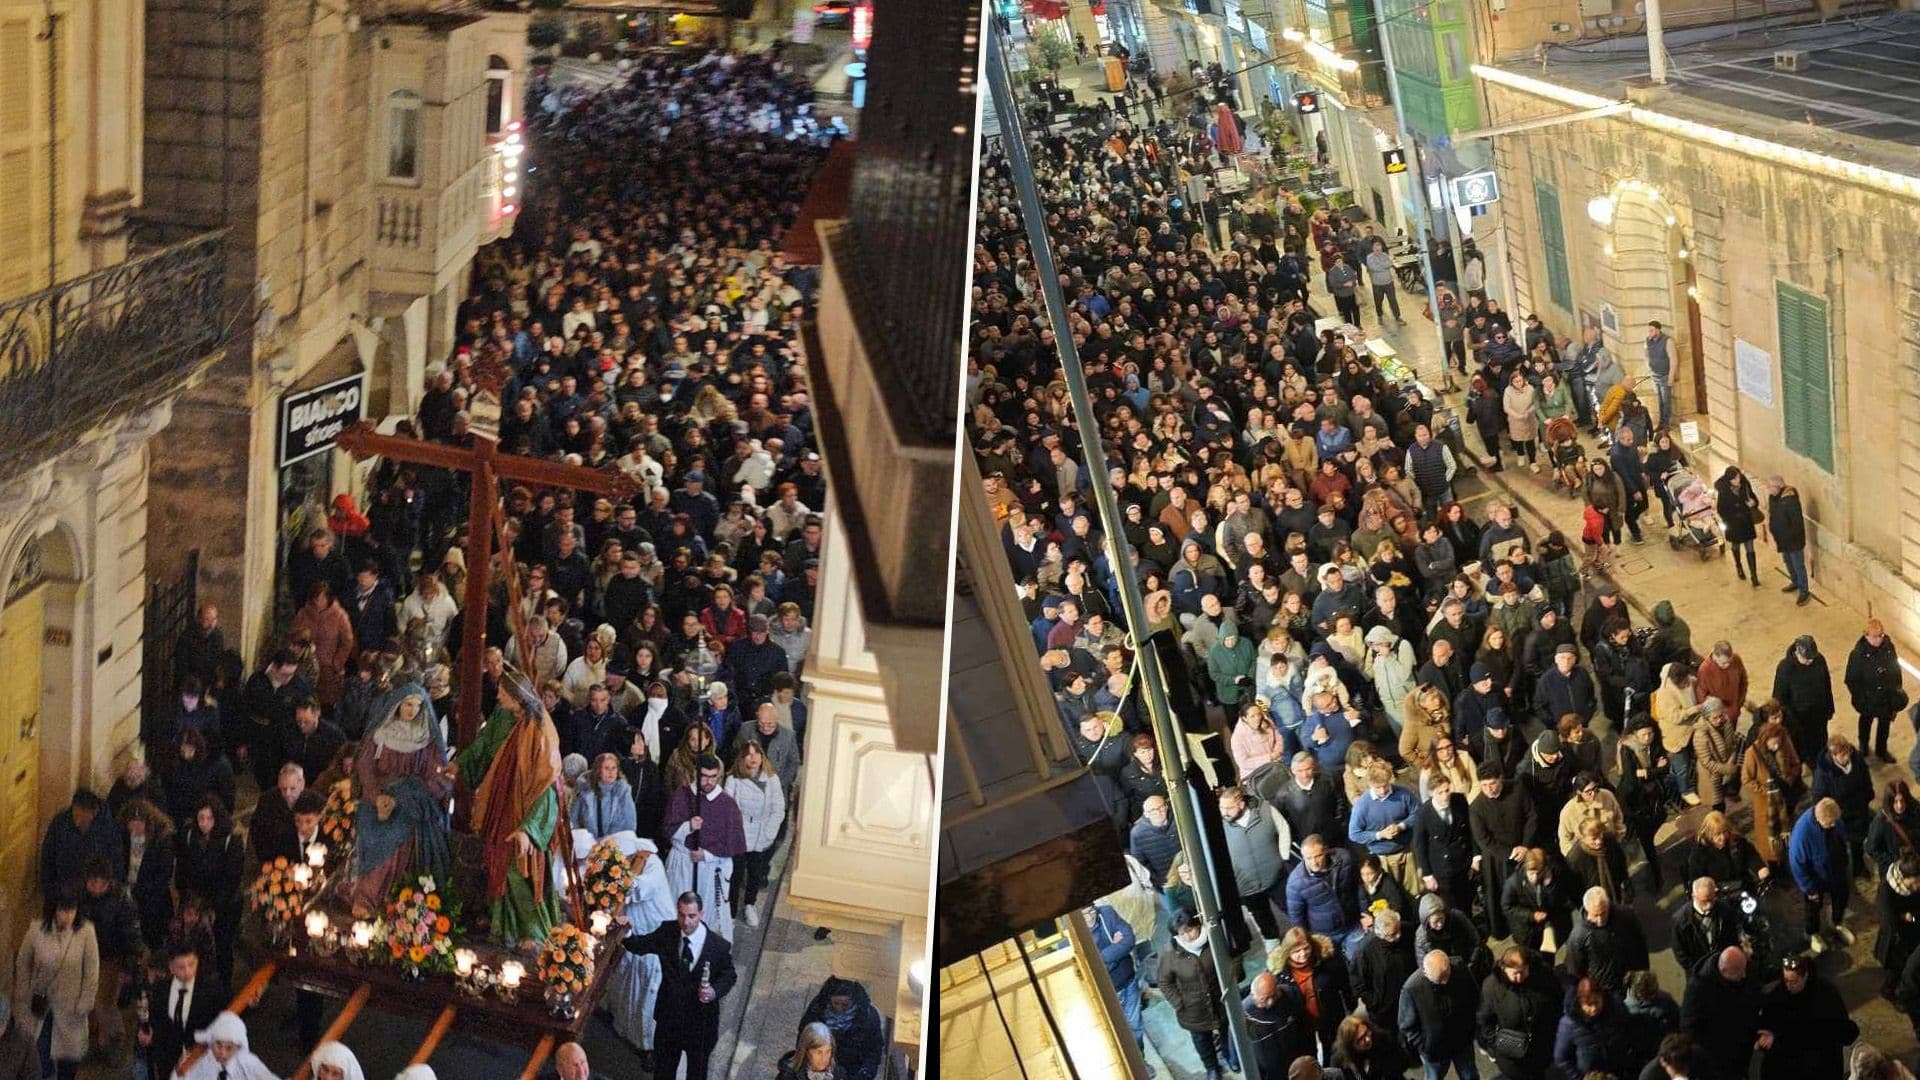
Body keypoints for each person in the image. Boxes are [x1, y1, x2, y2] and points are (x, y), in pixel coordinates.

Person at [451, 669, 566, 947]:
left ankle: (534, 931)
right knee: (498, 862)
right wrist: (461, 765)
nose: (499, 698)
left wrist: (529, 829)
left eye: (503, 694)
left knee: (519, 870)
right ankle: (504, 925)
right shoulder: (511, 718)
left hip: (524, 813)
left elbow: (546, 786)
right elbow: (485, 746)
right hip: (504, 805)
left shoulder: (539, 731)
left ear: (517, 697)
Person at [621, 892, 738, 1079]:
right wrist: (626, 931)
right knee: (663, 1073)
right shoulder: (667, 932)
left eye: (691, 916)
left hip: (700, 1026)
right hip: (669, 1021)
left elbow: (729, 975)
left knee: (697, 1075)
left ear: (701, 914)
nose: (686, 922)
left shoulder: (718, 946)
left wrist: (714, 991)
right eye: (682, 915)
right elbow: (640, 946)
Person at [14, 891, 97, 1080]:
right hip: (41, 1006)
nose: (68, 916)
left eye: (72, 910)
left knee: (69, 1059)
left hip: (71, 1008)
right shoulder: (37, 930)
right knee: (40, 1057)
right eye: (63, 911)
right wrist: (23, 994)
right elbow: (22, 963)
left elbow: (92, 970)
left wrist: (85, 1002)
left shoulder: (86, 932)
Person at [1161, 908, 1239, 1080]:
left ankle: (1230, 1056)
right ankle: (1212, 1067)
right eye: (1182, 934)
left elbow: (1232, 959)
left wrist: (1231, 983)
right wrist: (1179, 1003)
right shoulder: (1171, 953)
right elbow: (1164, 981)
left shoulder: (1215, 939)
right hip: (1193, 1008)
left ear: (1198, 925)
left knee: (1227, 1030)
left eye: (1190, 930)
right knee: (1202, 1040)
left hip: (1220, 999)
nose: (1187, 937)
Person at [1757, 954, 1856, 1080]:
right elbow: (1767, 1021)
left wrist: (1777, 1039)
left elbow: (1823, 1032)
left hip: (1816, 1066)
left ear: (1805, 976)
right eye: (1786, 980)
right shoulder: (1779, 995)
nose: (1788, 985)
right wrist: (1764, 1036)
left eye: (1793, 981)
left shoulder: (1825, 995)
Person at [1269, 926, 1357, 1063]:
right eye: (1296, 951)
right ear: (1287, 952)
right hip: (1301, 1026)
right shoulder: (1280, 975)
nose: (1303, 954)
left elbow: (1344, 983)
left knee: (1336, 1054)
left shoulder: (1326, 961)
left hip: (1330, 1019)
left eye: (1306, 948)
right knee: (1308, 1059)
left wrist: (1351, 1006)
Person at [1083, 903, 1152, 1074]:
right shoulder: (1076, 934)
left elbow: (1129, 939)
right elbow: (1090, 967)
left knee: (1135, 1026)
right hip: (1106, 992)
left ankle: (1140, 1063)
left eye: (1091, 911)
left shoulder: (1106, 913)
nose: (1090, 917)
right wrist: (1114, 951)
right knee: (1115, 1033)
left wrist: (1102, 956)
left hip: (1128, 982)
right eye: (1084, 914)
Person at [723, 741, 785, 929]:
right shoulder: (733, 779)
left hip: (761, 833)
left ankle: (749, 904)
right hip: (739, 834)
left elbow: (778, 807)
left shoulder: (772, 779)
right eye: (748, 754)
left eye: (756, 753)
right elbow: (727, 807)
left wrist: (769, 832)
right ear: (742, 758)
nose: (753, 758)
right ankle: (731, 912)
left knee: (755, 874)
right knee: (735, 874)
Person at [139, 942, 221, 1080]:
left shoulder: (210, 990)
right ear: (171, 968)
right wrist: (148, 1033)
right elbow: (154, 1019)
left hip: (200, 1059)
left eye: (192, 964)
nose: (188, 971)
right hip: (167, 1061)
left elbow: (225, 1018)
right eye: (181, 967)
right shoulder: (160, 989)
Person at [1476, 945, 1560, 1080]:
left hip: (1541, 1048)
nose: (1519, 977)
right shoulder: (1491, 988)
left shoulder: (1543, 977)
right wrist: (1497, 1044)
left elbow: (1556, 1002)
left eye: (1523, 971)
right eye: (1515, 973)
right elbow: (1484, 1021)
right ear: (1504, 969)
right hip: (1512, 1055)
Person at [1680, 947, 1767, 1077]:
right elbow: (1689, 1028)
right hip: (1718, 1057)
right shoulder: (1698, 989)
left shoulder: (1742, 967)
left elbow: (1755, 996)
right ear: (1723, 971)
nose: (1744, 975)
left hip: (1743, 1047)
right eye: (1738, 972)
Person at [1399, 950, 1479, 1080]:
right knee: (1434, 1077)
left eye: (1446, 976)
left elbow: (1473, 996)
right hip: (1435, 1049)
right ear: (1425, 972)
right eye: (1438, 980)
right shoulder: (1412, 989)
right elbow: (1406, 1025)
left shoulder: (1460, 968)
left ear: (1448, 964)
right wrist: (1426, 1045)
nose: (1444, 982)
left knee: (1469, 1074)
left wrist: (1470, 1027)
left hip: (1462, 1040)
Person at [1789, 797, 1855, 955]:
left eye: (1835, 822)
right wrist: (1809, 889)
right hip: (1816, 877)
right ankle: (1813, 934)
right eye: (1830, 823)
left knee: (1840, 898)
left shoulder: (1835, 820)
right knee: (1813, 908)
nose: (1834, 825)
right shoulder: (1802, 832)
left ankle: (1838, 923)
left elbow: (1842, 839)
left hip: (1836, 870)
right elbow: (1797, 863)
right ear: (1819, 819)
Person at [1563, 887, 1649, 997]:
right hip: (1605, 991)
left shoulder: (1626, 917)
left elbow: (1640, 945)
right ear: (1587, 910)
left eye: (1603, 913)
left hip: (1632, 981)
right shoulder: (1578, 936)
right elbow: (1575, 970)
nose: (1600, 920)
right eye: (1595, 915)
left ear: (1608, 905)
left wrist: (1644, 972)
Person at [40, 789, 124, 901]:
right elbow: (48, 856)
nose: (77, 822)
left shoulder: (109, 829)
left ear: (94, 813)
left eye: (83, 819)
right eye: (76, 816)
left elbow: (117, 861)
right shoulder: (60, 823)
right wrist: (49, 889)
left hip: (97, 895)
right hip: (65, 892)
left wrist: (112, 887)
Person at [796, 978, 886, 1080]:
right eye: (836, 1003)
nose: (839, 1008)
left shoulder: (868, 1017)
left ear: (853, 1001)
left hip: (853, 1072)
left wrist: (864, 1074)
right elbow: (803, 1039)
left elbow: (874, 1049)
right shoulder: (817, 1010)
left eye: (844, 1005)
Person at [1411, 773, 1477, 912]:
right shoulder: (1424, 813)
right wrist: (1428, 875)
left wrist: (1476, 857)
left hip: (1463, 861)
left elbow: (1470, 830)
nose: (1445, 796)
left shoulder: (1459, 800)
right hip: (1442, 868)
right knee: (1450, 906)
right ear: (1431, 793)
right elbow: (1419, 846)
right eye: (1439, 793)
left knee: (1467, 899)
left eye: (1447, 790)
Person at [1810, 734, 1872, 876]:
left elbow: (1865, 779)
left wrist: (1868, 796)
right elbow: (1819, 798)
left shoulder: (1857, 760)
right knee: (1839, 846)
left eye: (1847, 753)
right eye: (1842, 755)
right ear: (1833, 756)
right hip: (1839, 816)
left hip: (1858, 810)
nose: (1847, 757)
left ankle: (1859, 866)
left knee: (1858, 842)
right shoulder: (1823, 773)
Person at [1844, 618, 1905, 764]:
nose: (1879, 639)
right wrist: (1861, 698)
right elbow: (1851, 680)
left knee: (1884, 724)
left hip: (1886, 698)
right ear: (1866, 636)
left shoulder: (1888, 647)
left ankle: (1881, 750)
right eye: (1875, 636)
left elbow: (1896, 670)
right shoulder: (1858, 655)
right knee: (1866, 722)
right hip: (1868, 700)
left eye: (1881, 635)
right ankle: (1864, 746)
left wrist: (1897, 690)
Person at [1774, 635, 1835, 769]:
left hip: (1819, 715)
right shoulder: (1785, 668)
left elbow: (1826, 684)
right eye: (1806, 659)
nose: (1809, 661)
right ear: (1797, 652)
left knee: (1820, 745)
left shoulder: (1819, 660)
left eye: (1812, 658)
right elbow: (1779, 698)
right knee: (1800, 749)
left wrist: (1830, 707)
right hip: (1798, 720)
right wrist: (1789, 721)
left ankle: (1819, 768)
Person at [1501, 848, 1574, 955]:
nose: (1534, 878)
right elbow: (1507, 907)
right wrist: (1531, 915)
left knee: (1548, 959)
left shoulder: (1557, 875)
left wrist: (1550, 887)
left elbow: (1567, 899)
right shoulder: (1514, 882)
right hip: (1527, 932)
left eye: (1538, 873)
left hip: (1551, 930)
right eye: (1531, 873)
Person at [1671, 877, 1742, 982]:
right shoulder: (1680, 920)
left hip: (1722, 969)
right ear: (1693, 896)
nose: (1709, 905)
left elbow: (1732, 938)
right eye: (1704, 901)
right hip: (1698, 974)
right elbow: (1680, 951)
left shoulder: (1724, 910)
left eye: (1712, 899)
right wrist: (1695, 970)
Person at [179, 1010, 279, 1080]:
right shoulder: (196, 1061)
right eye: (218, 1045)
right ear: (211, 1041)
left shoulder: (249, 1063)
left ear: (238, 1048)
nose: (222, 1052)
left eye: (229, 1048)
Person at [1765, 476, 1811, 604]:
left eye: (1770, 486)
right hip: (1782, 539)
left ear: (1777, 487)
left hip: (1793, 540)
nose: (1768, 489)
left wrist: (1789, 537)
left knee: (1798, 565)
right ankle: (1795, 582)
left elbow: (1796, 523)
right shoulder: (1773, 498)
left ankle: (1804, 591)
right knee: (1788, 562)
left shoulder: (1790, 500)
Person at [776, 1023, 848, 1080]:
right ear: (806, 1051)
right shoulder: (788, 1076)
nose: (824, 1058)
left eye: (828, 1051)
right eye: (818, 1052)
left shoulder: (839, 1075)